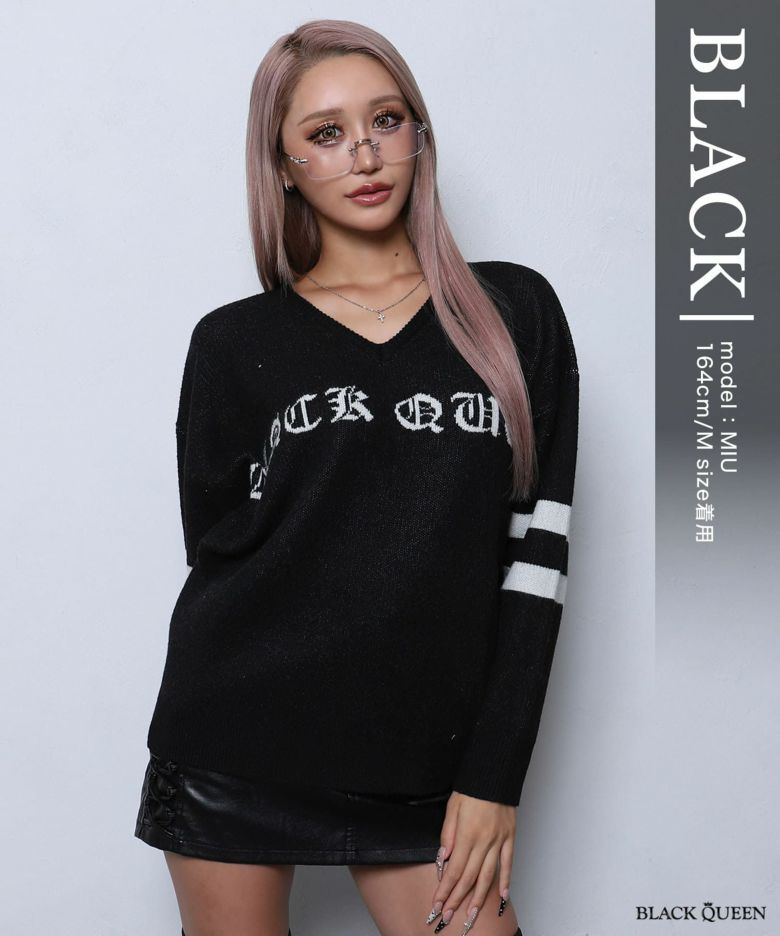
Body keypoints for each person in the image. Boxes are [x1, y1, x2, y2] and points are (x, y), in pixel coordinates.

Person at [133, 18, 579, 936]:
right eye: (326, 133)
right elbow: (218, 547)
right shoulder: (234, 343)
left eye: (386, 120)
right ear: (284, 165)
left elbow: (536, 565)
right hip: (234, 743)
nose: (365, 153)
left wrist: (494, 778)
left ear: (420, 134)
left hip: (428, 762)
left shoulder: (512, 312)